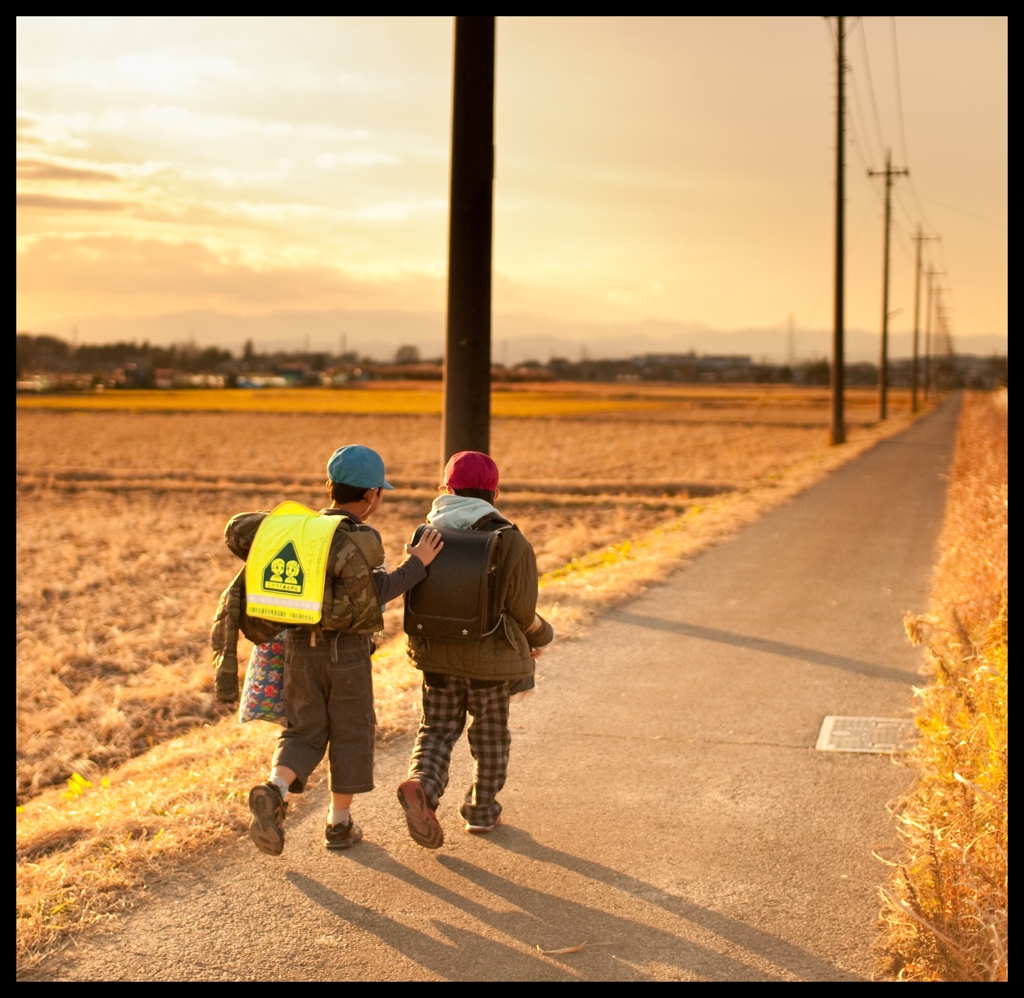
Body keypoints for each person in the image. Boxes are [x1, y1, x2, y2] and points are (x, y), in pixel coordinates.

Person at [211, 444, 442, 855]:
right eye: (379, 493)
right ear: (371, 495)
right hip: (347, 654)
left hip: (298, 651)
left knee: (304, 730)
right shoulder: (360, 537)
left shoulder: (303, 534)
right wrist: (417, 564)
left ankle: (275, 788)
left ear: (329, 487)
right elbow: (376, 594)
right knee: (351, 733)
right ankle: (339, 825)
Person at [397, 450, 554, 848]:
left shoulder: (426, 534)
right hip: (491, 660)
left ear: (446, 489)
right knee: (490, 737)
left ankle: (423, 788)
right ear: (493, 493)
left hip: (437, 656)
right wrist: (540, 636)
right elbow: (522, 611)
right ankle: (481, 811)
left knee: (436, 730)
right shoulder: (511, 539)